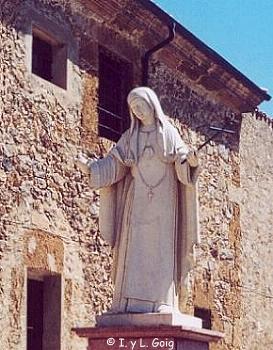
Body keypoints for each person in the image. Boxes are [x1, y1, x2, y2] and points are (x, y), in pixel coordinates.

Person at [76, 87, 200, 314]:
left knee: (160, 250)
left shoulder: (169, 133)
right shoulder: (130, 137)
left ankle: (162, 301)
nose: (138, 111)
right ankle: (126, 302)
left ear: (152, 104)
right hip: (138, 201)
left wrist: (190, 161)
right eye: (134, 109)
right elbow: (116, 165)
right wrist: (93, 169)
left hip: (164, 202)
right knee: (133, 250)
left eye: (140, 106)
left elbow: (183, 160)